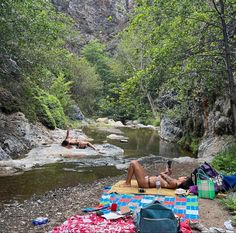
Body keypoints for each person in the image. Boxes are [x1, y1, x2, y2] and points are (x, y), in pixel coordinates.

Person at [123, 160, 194, 189]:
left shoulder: (175, 183)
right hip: (147, 179)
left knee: (133, 163)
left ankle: (127, 183)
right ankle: (127, 182)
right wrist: (168, 171)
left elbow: (162, 175)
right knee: (136, 163)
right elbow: (164, 178)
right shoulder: (174, 182)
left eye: (183, 177)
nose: (181, 176)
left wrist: (165, 173)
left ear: (184, 180)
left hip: (145, 183)